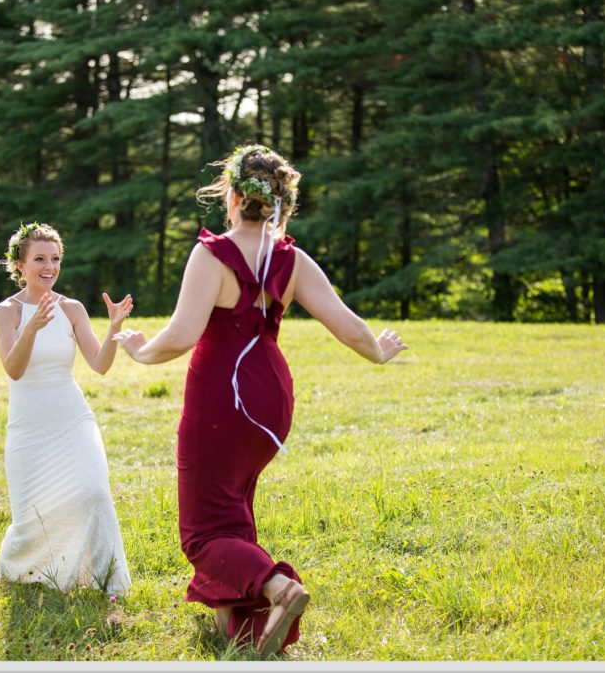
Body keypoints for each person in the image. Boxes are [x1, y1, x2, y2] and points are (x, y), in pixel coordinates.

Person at [113, 145, 408, 658]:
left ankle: (278, 587)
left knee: (202, 533)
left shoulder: (212, 253)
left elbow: (182, 334)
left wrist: (140, 352)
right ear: (281, 204)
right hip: (272, 399)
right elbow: (348, 324)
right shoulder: (292, 260)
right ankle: (242, 627)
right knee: (232, 508)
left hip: (222, 398)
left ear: (232, 196)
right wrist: (378, 353)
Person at [0, 222, 132, 596]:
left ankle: (107, 583)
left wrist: (114, 328)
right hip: (28, 425)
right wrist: (32, 327)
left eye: (55, 259)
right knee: (31, 516)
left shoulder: (72, 309)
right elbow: (14, 369)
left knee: (94, 492)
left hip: (72, 418)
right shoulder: (7, 312)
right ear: (20, 265)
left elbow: (99, 364)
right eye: (39, 259)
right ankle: (25, 569)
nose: (49, 266)